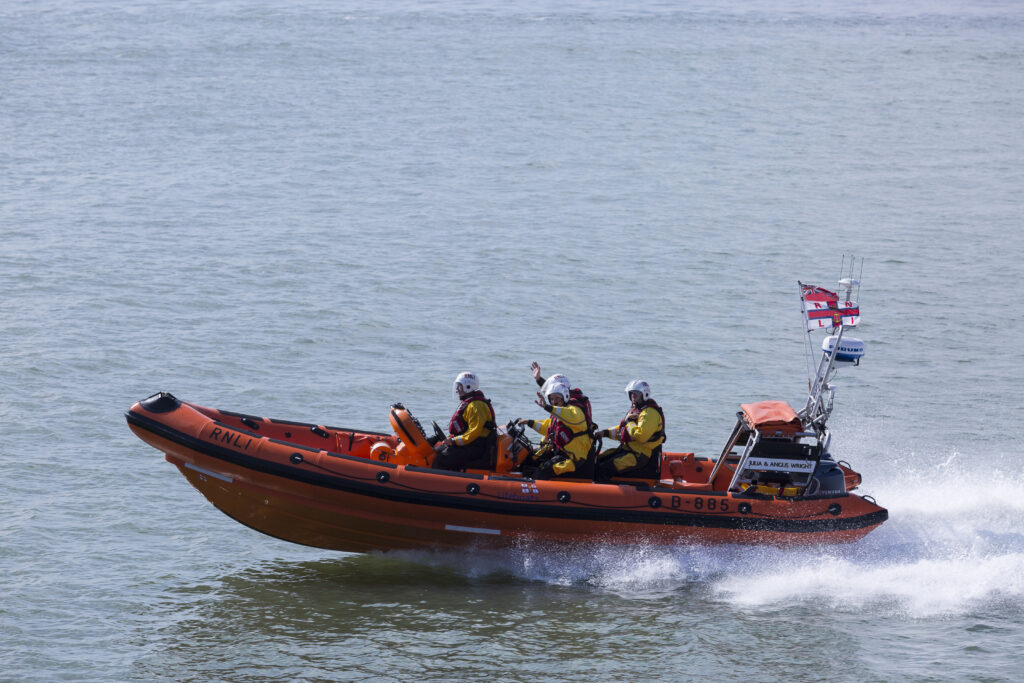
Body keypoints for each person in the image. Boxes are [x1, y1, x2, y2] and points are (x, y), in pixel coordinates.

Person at [517, 376, 593, 479]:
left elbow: (567, 414)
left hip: (573, 459)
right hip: (561, 452)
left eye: (557, 399)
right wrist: (529, 422)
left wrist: (547, 407)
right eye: (551, 399)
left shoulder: (575, 411)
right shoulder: (559, 412)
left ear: (564, 396)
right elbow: (549, 428)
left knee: (542, 472)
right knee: (529, 461)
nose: (554, 402)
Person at [593, 380, 666, 480]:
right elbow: (623, 431)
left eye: (636, 393)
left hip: (640, 455)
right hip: (630, 450)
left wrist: (629, 422)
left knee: (604, 468)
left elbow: (640, 435)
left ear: (644, 394)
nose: (633, 396)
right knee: (600, 460)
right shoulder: (639, 410)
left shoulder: (649, 413)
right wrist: (605, 433)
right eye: (631, 393)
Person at [433, 371, 498, 471]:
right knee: (437, 450)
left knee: (443, 458)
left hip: (476, 446)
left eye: (459, 386)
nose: (457, 389)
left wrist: (454, 441)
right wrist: (451, 439)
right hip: (470, 443)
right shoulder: (471, 403)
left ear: (468, 386)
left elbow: (474, 431)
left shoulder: (476, 406)